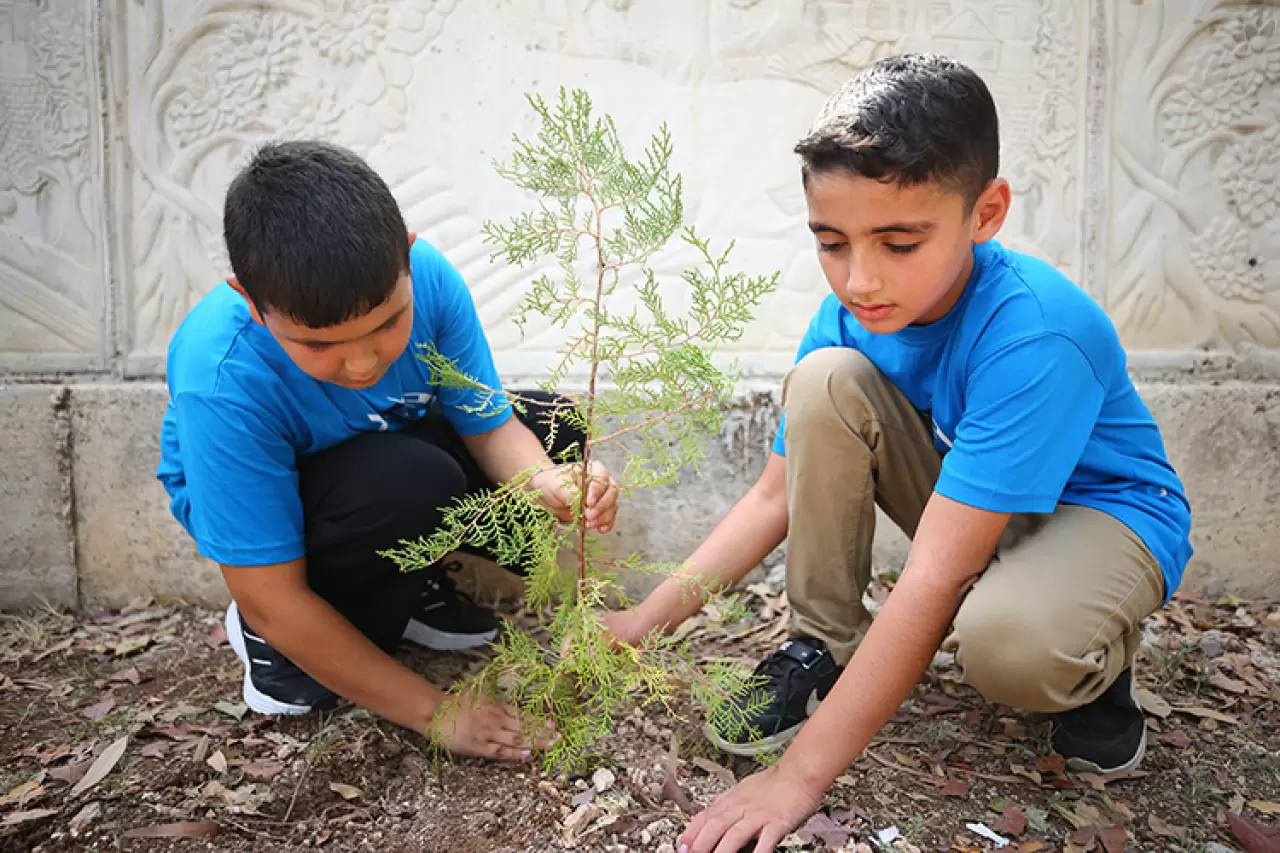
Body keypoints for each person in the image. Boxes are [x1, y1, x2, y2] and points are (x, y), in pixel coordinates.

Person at [597, 54, 1193, 852]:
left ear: (986, 212)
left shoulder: (1036, 330)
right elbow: (773, 496)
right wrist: (642, 621)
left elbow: (935, 574)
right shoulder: (852, 318)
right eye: (831, 242)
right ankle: (824, 645)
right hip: (975, 509)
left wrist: (797, 777)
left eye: (899, 242)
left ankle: (1094, 661)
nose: (860, 279)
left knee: (1008, 648)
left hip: (1099, 516)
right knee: (823, 381)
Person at [157, 140, 619, 762]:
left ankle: (405, 585)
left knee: (555, 429)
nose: (362, 363)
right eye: (319, 345)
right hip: (301, 510)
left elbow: (489, 427)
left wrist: (547, 481)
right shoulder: (220, 377)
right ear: (252, 304)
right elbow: (274, 598)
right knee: (411, 482)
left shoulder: (430, 278)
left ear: (407, 256)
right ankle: (277, 652)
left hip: (384, 466)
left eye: (386, 324)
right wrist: (438, 712)